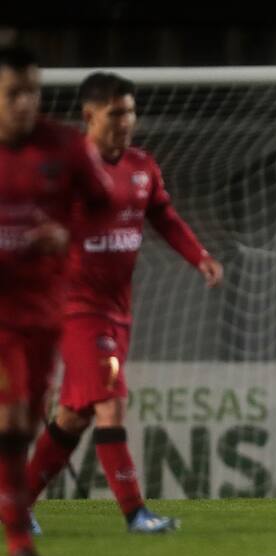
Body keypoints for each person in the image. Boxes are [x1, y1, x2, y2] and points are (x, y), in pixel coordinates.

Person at [25, 72, 223, 532]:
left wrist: (201, 257)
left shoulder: (141, 167)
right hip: (75, 309)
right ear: (89, 116)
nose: (126, 122)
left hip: (118, 311)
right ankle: (136, 512)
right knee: (111, 403)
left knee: (73, 417)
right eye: (116, 113)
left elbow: (164, 216)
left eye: (130, 112)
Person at [0, 47, 118, 556]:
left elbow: (103, 206)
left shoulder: (65, 147)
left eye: (32, 93)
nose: (24, 104)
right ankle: (21, 548)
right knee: (7, 422)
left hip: (45, 311)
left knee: (25, 425)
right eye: (12, 94)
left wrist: (65, 234)